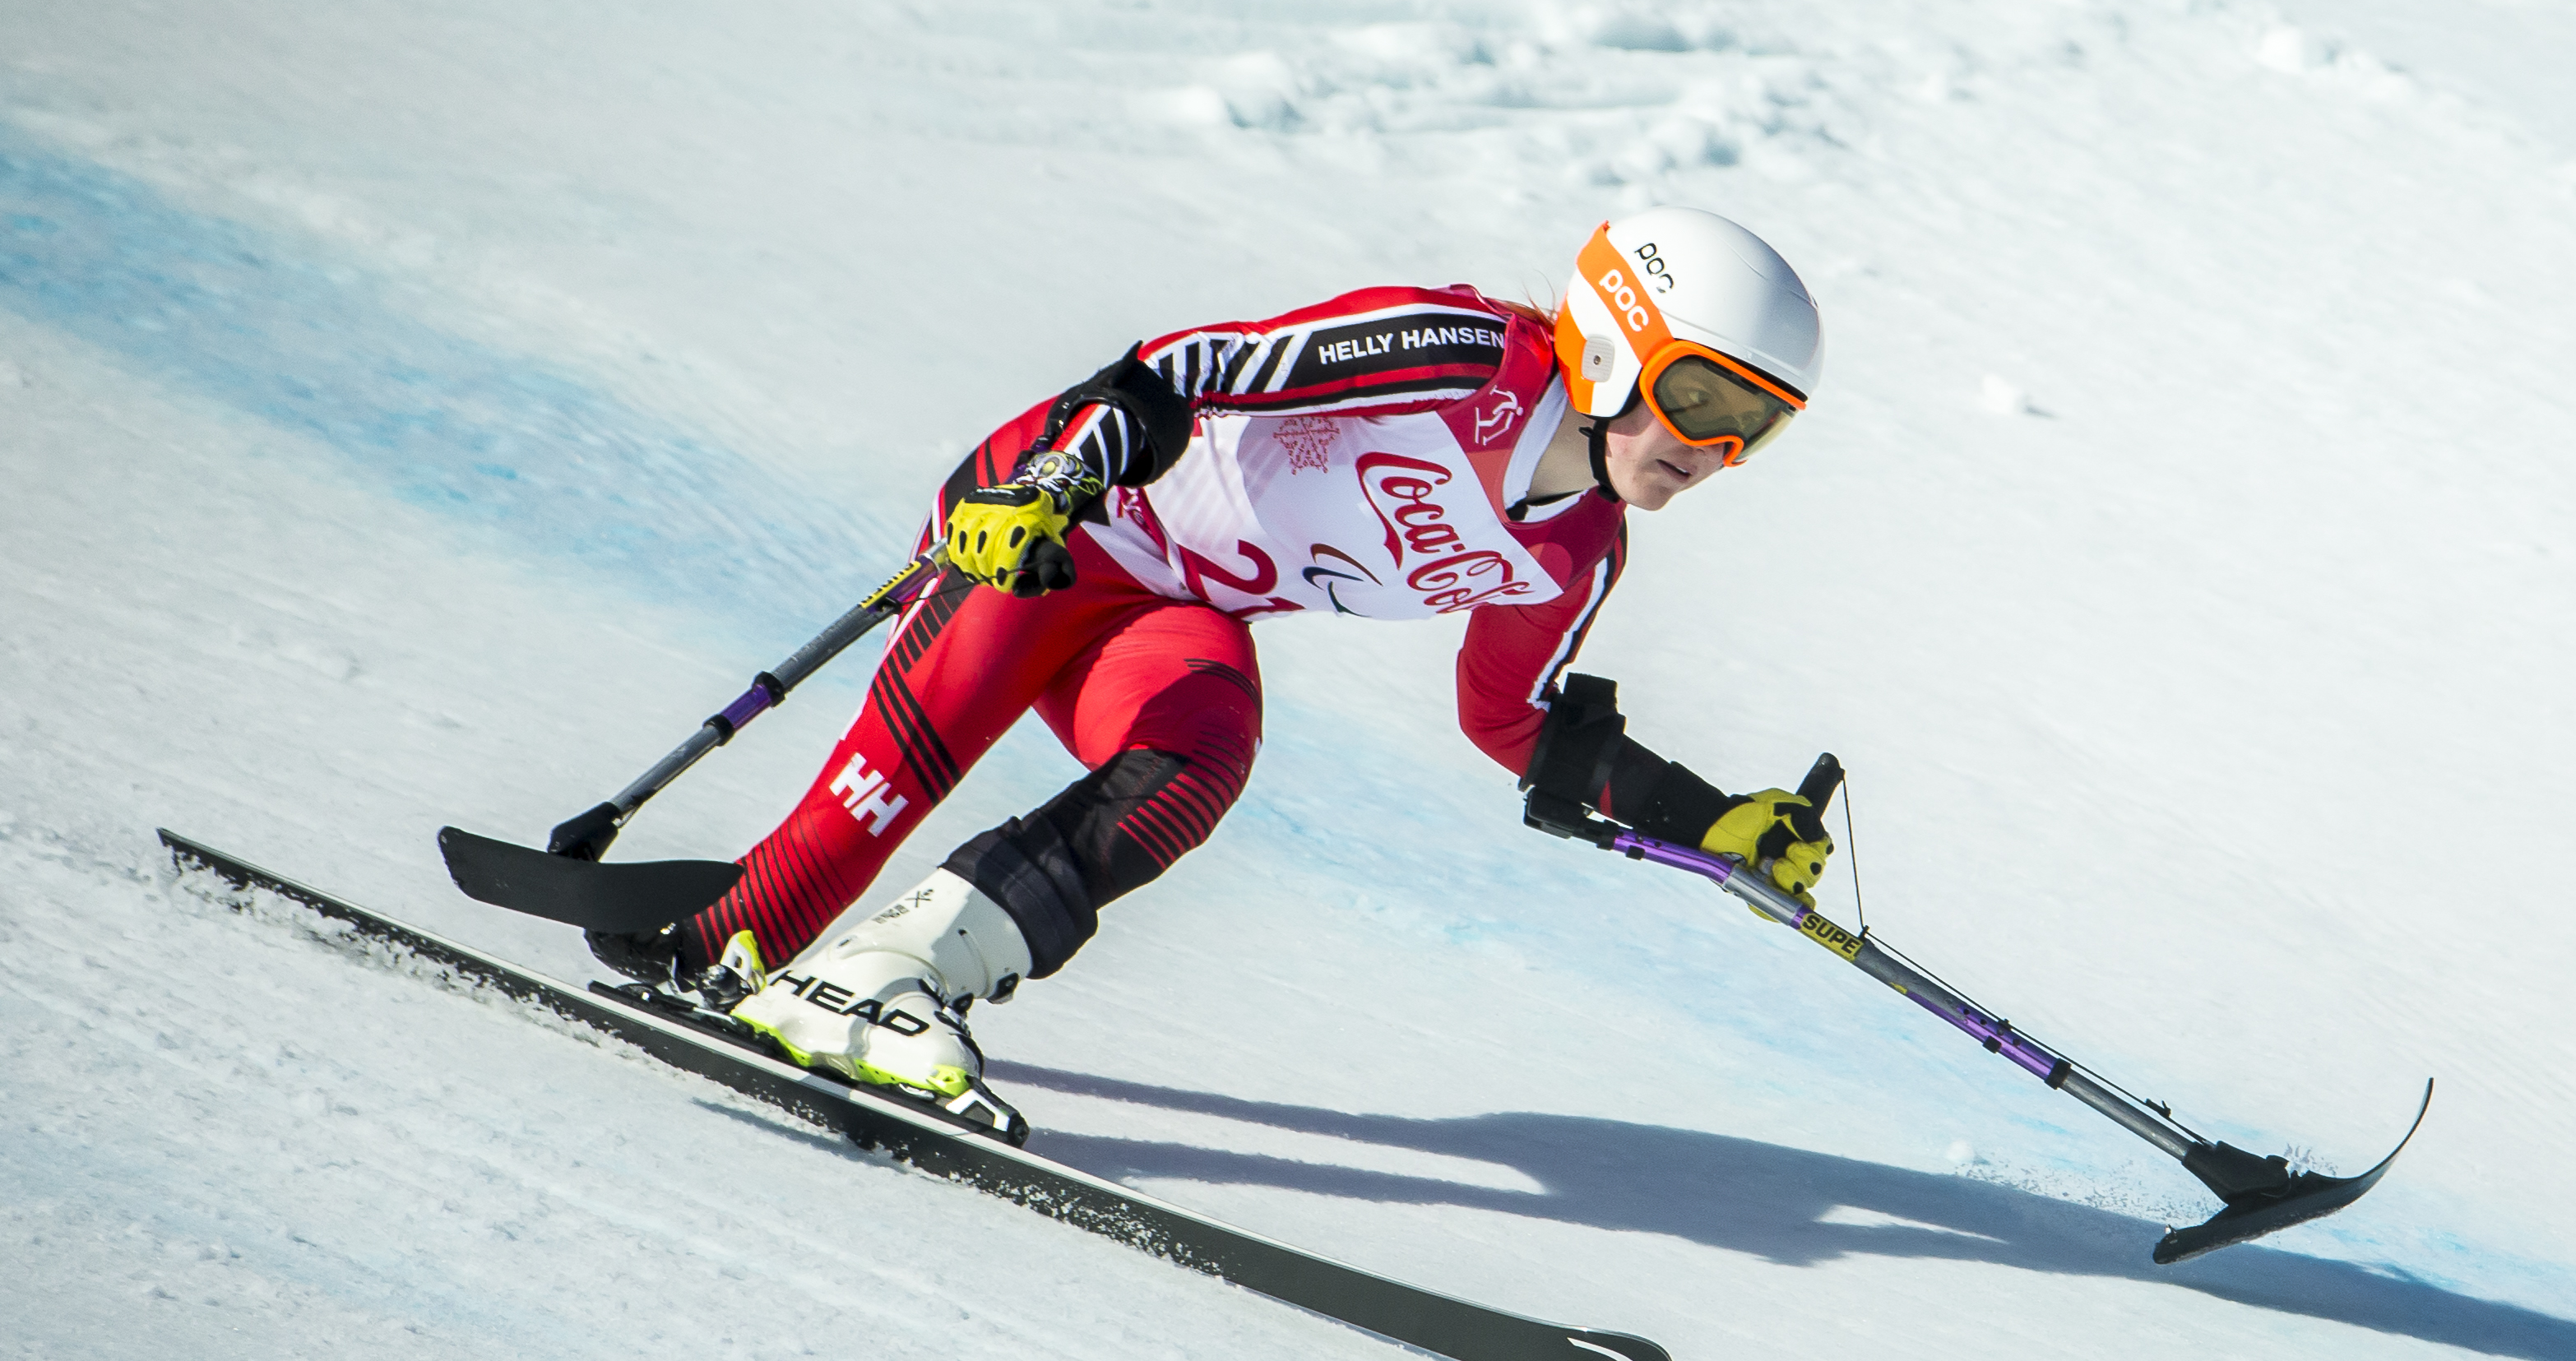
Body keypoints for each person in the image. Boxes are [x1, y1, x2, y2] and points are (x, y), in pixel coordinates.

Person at [587, 206, 1837, 1140]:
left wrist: (1706, 820)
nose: (1714, 448)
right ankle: (742, 947)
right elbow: (1181, 369)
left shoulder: (1569, 553)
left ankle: (885, 984)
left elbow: (1508, 722)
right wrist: (1043, 485)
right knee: (766, 914)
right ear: (1616, 344)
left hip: (1165, 609)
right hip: (1052, 532)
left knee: (1196, 761)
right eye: (1699, 394)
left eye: (1756, 425)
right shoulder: (1466, 358)